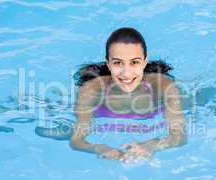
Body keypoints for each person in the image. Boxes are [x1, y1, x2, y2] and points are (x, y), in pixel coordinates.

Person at [69, 27, 186, 163]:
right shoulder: (91, 91)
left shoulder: (163, 87)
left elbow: (179, 137)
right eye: (118, 63)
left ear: (144, 62)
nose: (126, 73)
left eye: (134, 62)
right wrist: (99, 148)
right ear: (108, 64)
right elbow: (76, 141)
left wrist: (151, 145)